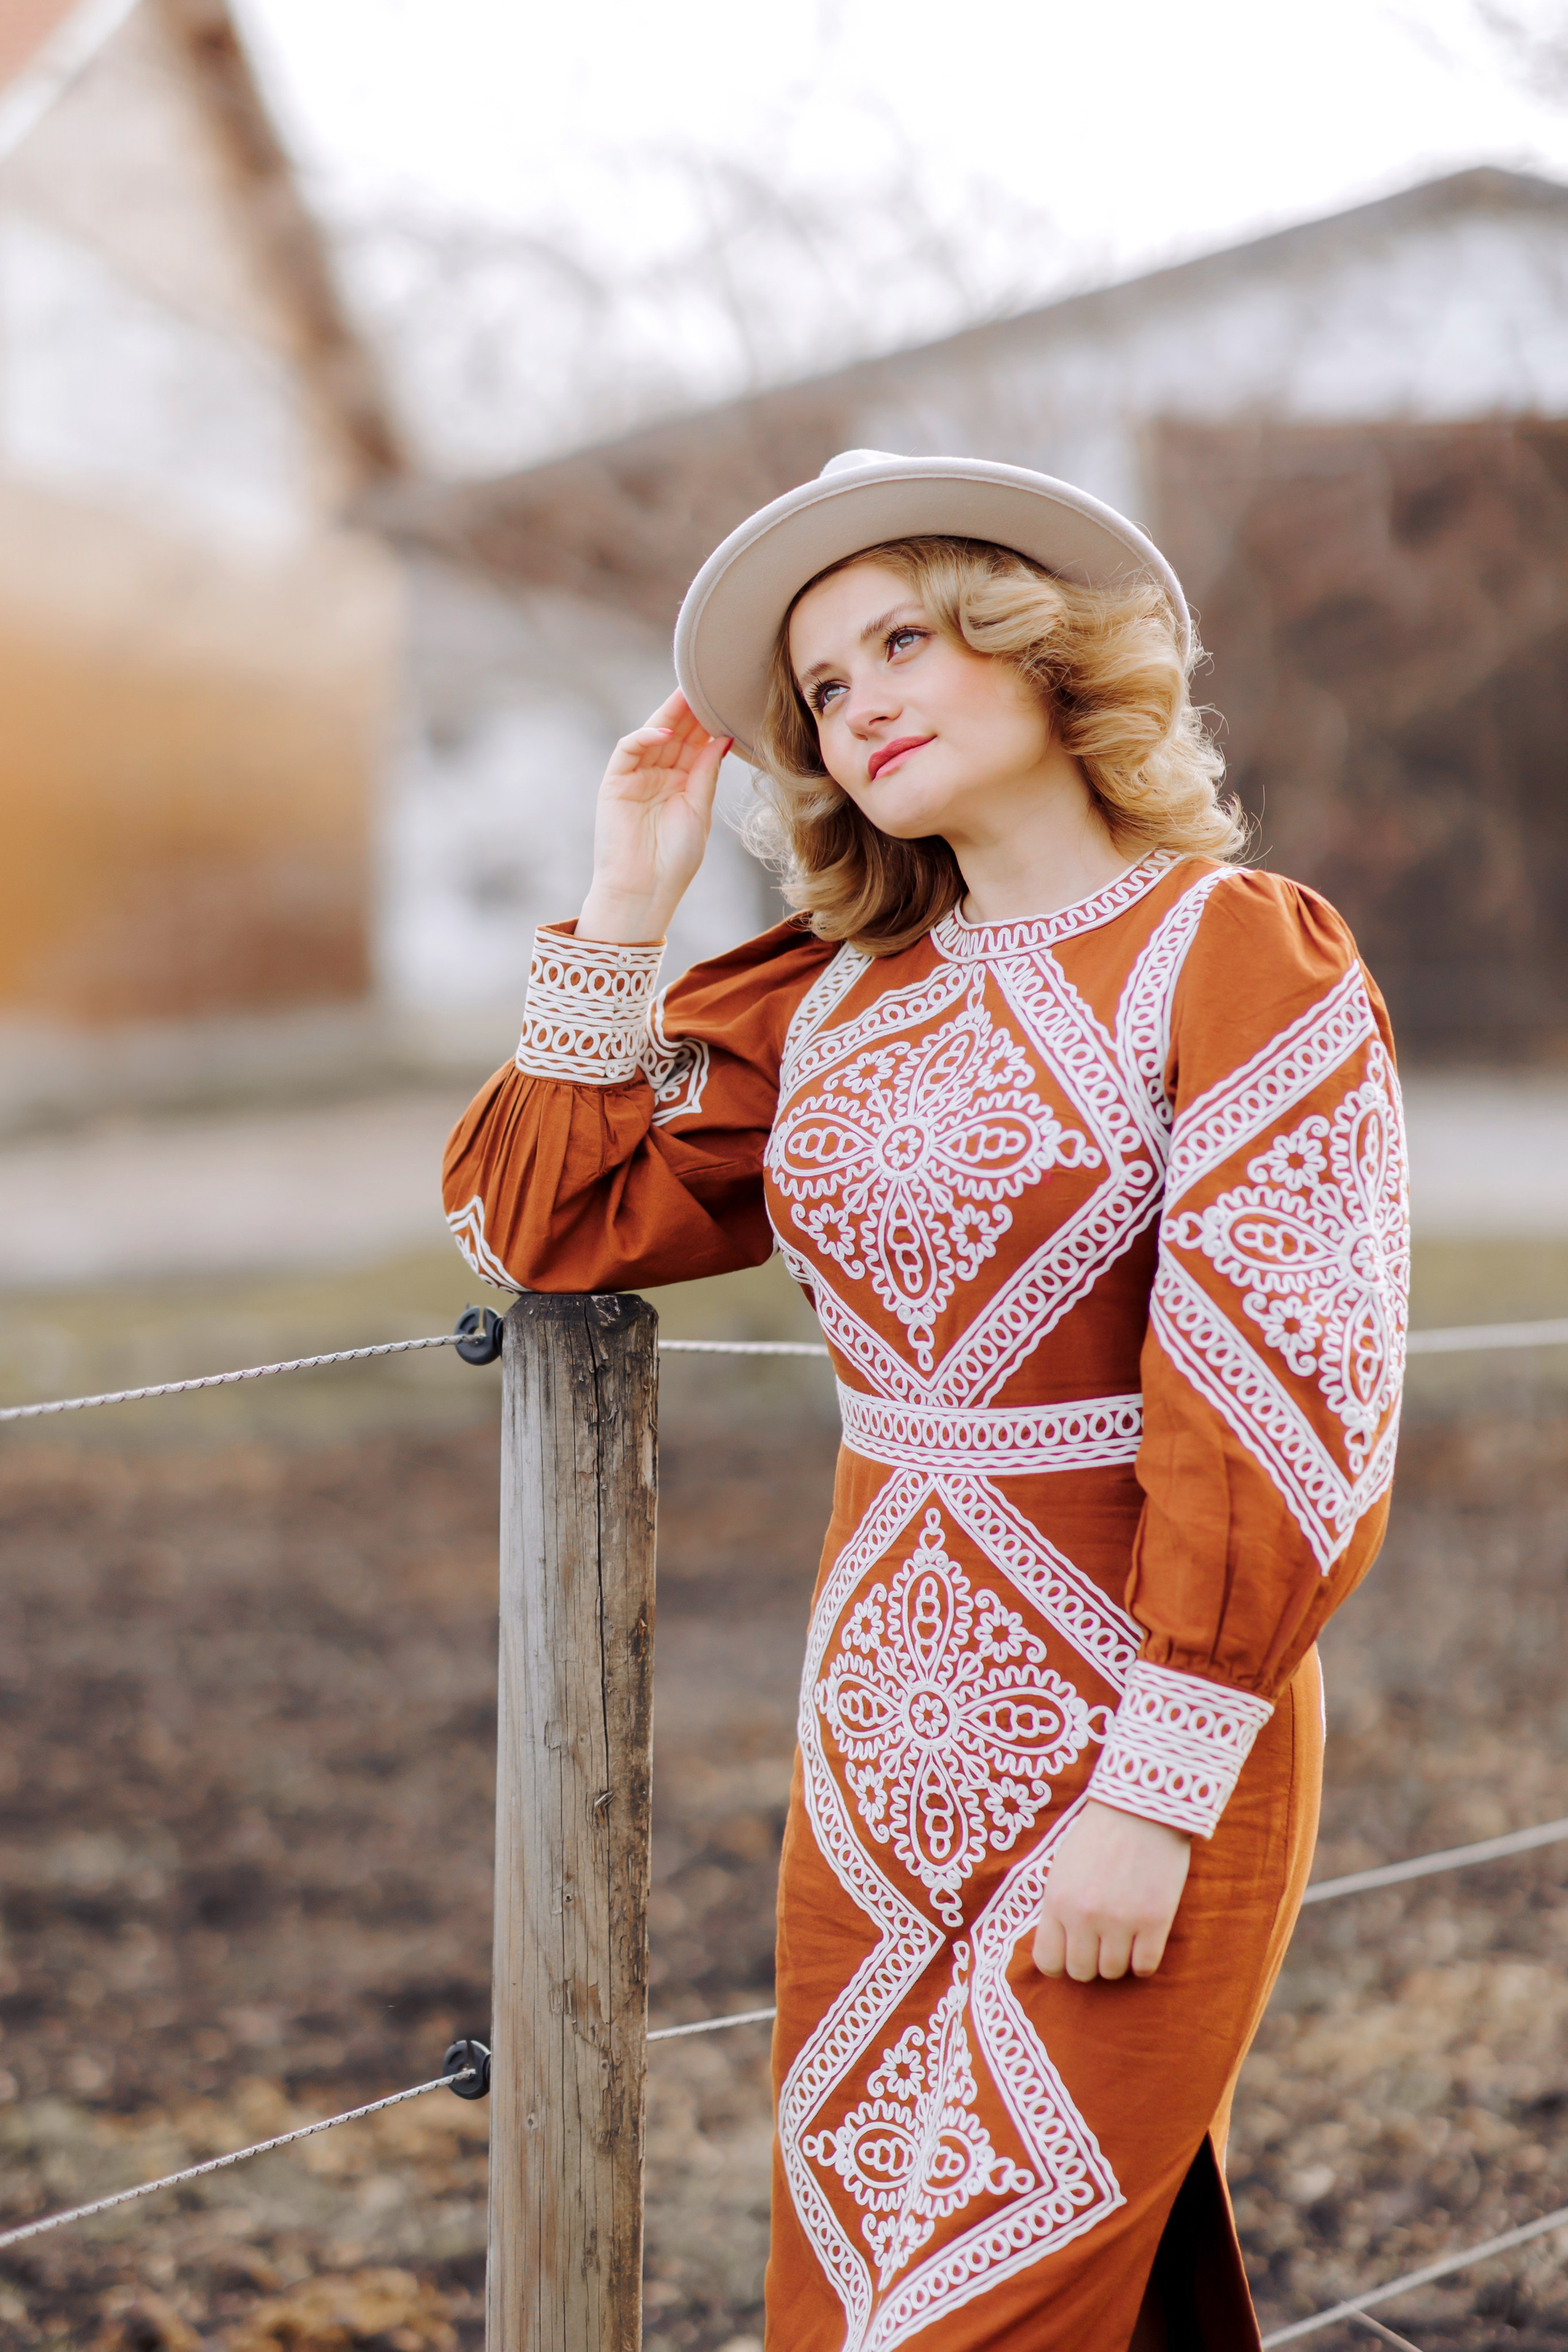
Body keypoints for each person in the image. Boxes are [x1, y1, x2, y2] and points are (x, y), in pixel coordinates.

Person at [442, 452, 1409, 2351]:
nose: (859, 702)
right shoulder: (826, 999)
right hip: (878, 1762)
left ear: (1042, 650)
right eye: (821, 686)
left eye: (903, 641)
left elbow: (1288, 1407)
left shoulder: (1239, 956)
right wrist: (626, 901)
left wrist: (1156, 1791)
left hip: (1137, 1739)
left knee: (985, 2304)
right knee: (865, 2295)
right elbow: (536, 1214)